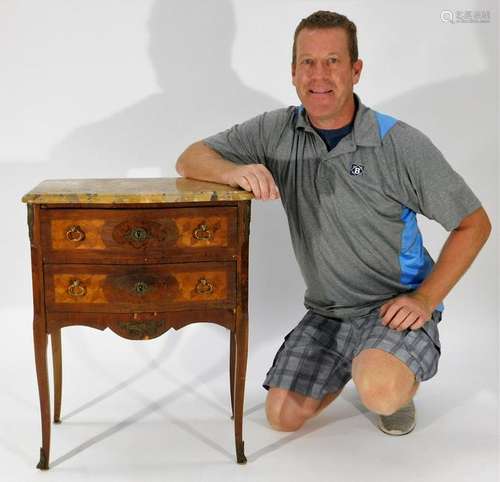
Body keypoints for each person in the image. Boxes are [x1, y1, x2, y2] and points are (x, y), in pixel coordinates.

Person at [175, 11, 491, 436]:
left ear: (356, 70)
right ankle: (360, 359)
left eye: (333, 61)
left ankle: (390, 376)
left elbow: (474, 224)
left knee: (380, 391)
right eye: (308, 62)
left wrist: (425, 299)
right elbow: (190, 158)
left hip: (392, 307)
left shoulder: (398, 143)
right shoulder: (275, 130)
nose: (319, 74)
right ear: (293, 73)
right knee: (282, 417)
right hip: (328, 313)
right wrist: (234, 172)